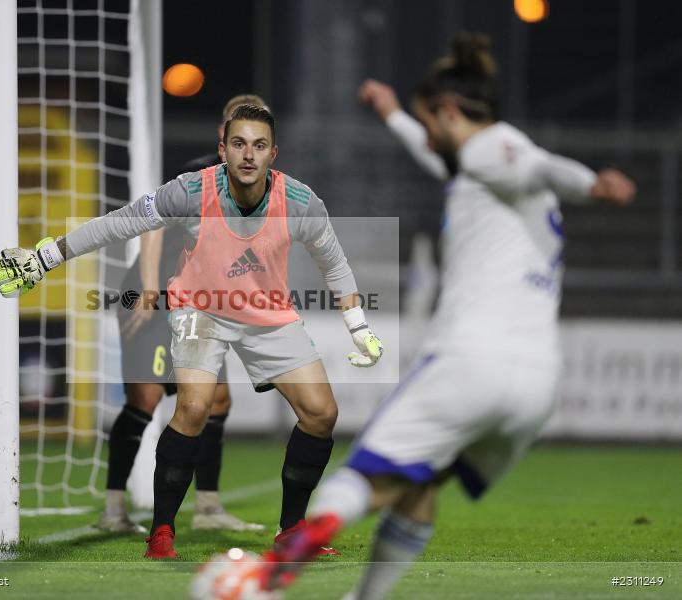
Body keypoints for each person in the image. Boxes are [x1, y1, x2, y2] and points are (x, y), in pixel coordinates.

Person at [248, 32, 636, 598]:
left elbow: (539, 165)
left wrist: (591, 185)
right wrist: (394, 115)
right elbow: (465, 159)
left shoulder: (497, 150)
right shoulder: (483, 174)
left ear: (450, 111)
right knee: (418, 487)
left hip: (470, 363)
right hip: (535, 385)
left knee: (366, 479)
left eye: (430, 121)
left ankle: (276, 568)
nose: (428, 135)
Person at [0, 104, 383, 559]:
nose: (248, 155)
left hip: (268, 314)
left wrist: (357, 324)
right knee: (194, 407)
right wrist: (45, 257)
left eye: (259, 145)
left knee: (321, 413)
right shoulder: (191, 191)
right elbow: (119, 222)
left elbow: (332, 261)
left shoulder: (300, 202)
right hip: (201, 311)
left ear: (273, 153)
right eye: (238, 144)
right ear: (222, 148)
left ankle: (292, 531)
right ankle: (162, 531)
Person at [97, 95, 270, 535]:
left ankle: (208, 508)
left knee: (217, 400)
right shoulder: (197, 178)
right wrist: (150, 288)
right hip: (152, 296)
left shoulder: (265, 188)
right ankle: (114, 508)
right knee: (147, 400)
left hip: (199, 303)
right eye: (238, 135)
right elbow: (153, 225)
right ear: (223, 136)